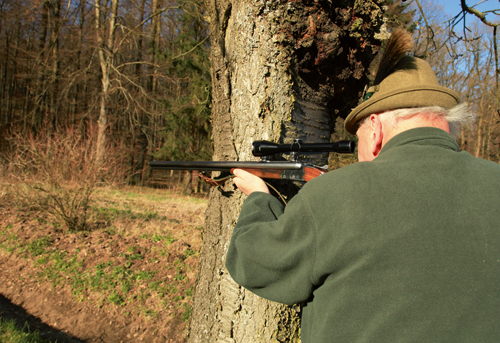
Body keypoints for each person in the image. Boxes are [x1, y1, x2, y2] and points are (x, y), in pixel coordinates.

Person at [225, 29, 500, 342]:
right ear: (446, 123)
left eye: (359, 137)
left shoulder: (335, 196)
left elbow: (256, 264)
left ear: (377, 128)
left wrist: (259, 199)